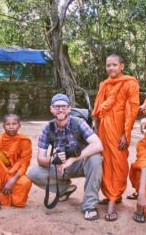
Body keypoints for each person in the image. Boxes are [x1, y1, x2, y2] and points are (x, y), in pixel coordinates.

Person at [28, 93, 103, 221]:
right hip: (60, 167)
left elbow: (98, 145)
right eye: (56, 107)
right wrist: (54, 159)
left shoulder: (78, 123)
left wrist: (72, 159)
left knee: (95, 159)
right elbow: (41, 159)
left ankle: (89, 205)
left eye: (63, 106)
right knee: (34, 173)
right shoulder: (48, 128)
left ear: (69, 108)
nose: (60, 109)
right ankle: (65, 189)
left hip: (81, 163)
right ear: (51, 109)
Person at [92, 54, 139, 221]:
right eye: (108, 65)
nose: (111, 68)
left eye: (114, 65)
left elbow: (132, 110)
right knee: (105, 162)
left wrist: (126, 134)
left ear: (122, 66)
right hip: (104, 128)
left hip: (119, 128)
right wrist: (96, 131)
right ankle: (112, 195)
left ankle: (113, 200)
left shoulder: (129, 83)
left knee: (118, 163)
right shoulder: (104, 84)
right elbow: (97, 110)